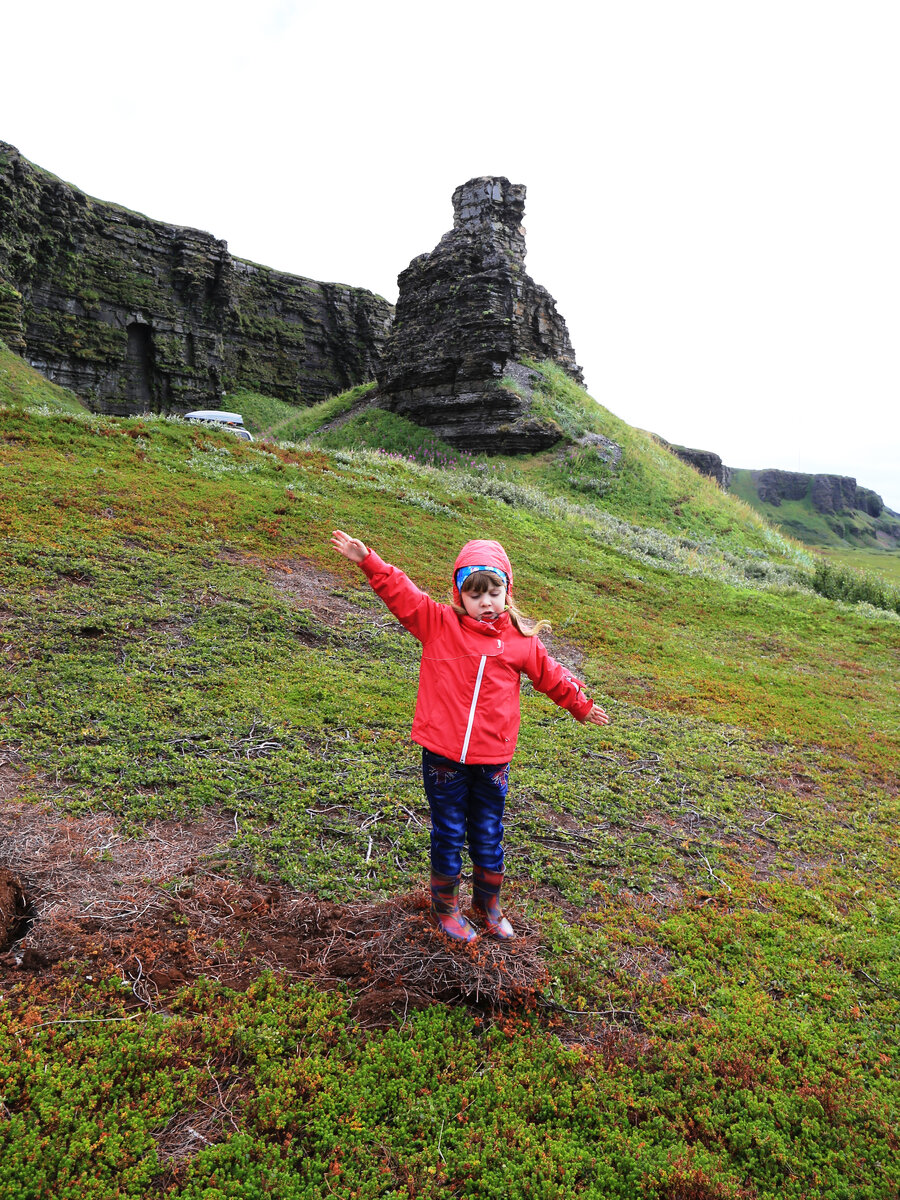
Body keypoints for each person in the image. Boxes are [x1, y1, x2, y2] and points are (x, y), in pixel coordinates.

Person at [330, 530, 610, 943]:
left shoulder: (519, 641)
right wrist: (367, 559)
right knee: (448, 831)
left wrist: (580, 705)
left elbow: (551, 674)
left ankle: (488, 905)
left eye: (494, 593)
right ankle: (446, 907)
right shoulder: (438, 623)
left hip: (493, 758)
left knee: (488, 831)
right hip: (444, 757)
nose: (485, 602)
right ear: (459, 595)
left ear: (507, 593)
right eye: (475, 593)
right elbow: (401, 593)